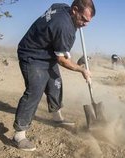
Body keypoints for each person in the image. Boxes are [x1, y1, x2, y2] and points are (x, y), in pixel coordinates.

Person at [13, 0, 95, 151]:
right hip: (32, 54)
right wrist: (82, 70)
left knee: (55, 85)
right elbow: (62, 60)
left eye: (88, 21)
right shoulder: (64, 27)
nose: (85, 24)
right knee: (35, 91)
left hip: (47, 54)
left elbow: (54, 11)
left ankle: (57, 118)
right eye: (83, 19)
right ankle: (19, 135)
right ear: (74, 10)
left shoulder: (63, 6)